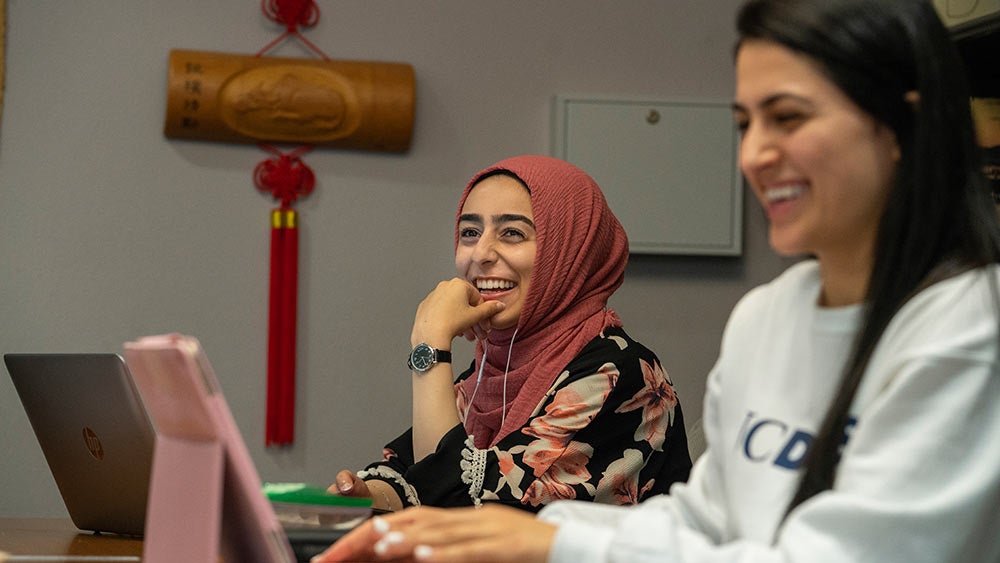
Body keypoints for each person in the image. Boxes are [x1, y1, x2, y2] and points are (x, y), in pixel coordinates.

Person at [313, 1, 1000, 561]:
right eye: (744, 123)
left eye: (788, 117)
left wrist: (545, 542)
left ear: (900, 125)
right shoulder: (769, 314)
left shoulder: (969, 328)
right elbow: (705, 523)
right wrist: (523, 535)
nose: (757, 153)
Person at [330, 154, 692, 515]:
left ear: (568, 251)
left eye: (512, 233)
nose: (481, 254)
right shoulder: (488, 370)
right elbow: (414, 472)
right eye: (470, 232)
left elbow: (466, 510)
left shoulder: (620, 372)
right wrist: (368, 495)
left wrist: (430, 344)